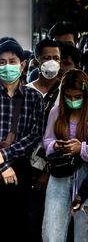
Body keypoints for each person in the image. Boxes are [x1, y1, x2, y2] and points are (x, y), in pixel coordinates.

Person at [0, 40, 44, 242]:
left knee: (18, 227)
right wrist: (2, 165)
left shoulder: (34, 97)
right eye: (2, 62)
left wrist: (4, 155)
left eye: (12, 61)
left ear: (22, 66)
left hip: (20, 170)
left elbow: (34, 135)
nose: (7, 66)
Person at [42, 69, 88, 242]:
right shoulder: (56, 111)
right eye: (69, 97)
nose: (73, 101)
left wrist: (81, 149)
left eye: (77, 96)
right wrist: (55, 145)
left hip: (85, 177)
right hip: (61, 174)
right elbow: (47, 140)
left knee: (84, 231)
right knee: (52, 231)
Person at [24, 38, 61, 242]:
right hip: (27, 166)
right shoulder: (26, 91)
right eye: (47, 58)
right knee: (31, 221)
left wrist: (48, 171)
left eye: (56, 58)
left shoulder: (66, 92)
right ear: (37, 61)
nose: (52, 63)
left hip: (55, 169)